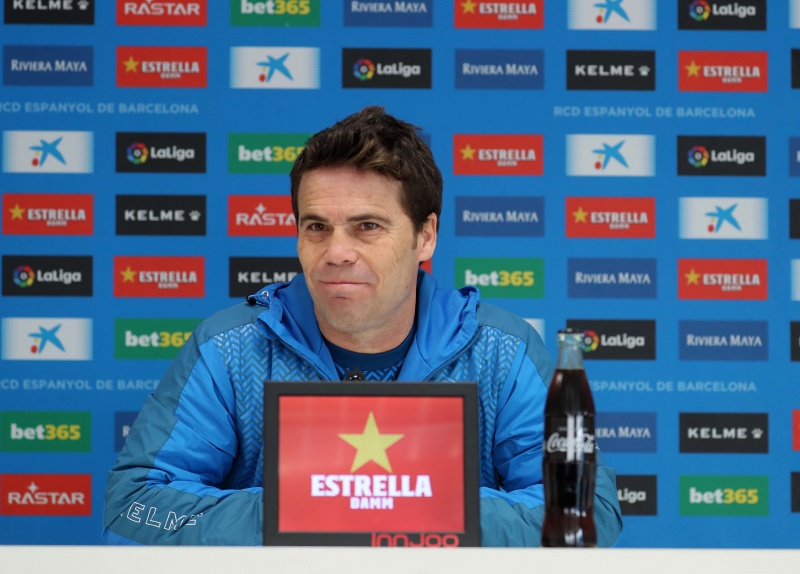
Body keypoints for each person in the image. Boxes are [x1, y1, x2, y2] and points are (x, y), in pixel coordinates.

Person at [103, 106, 623, 546]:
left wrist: (408, 504)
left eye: (367, 227)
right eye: (316, 227)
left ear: (425, 236)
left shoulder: (502, 351)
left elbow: (586, 514)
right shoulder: (228, 348)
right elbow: (133, 507)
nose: (336, 253)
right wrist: (302, 508)